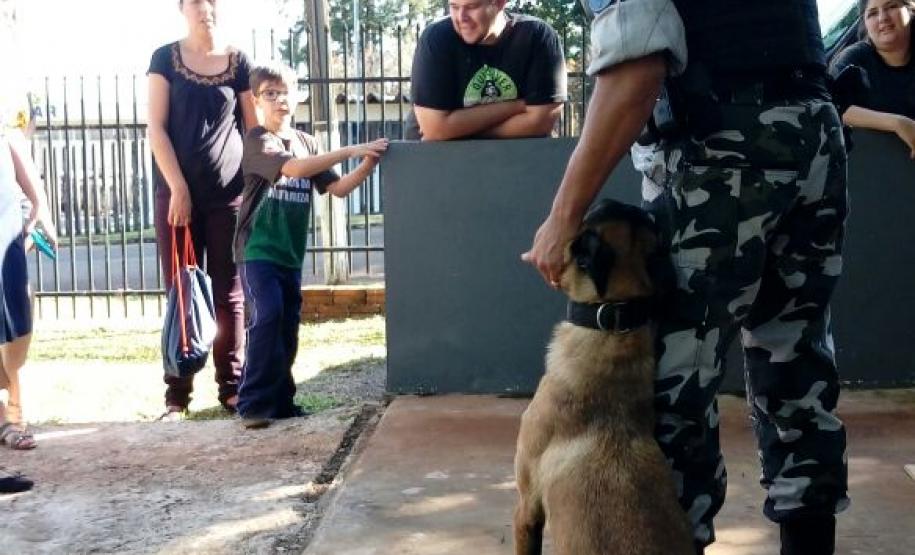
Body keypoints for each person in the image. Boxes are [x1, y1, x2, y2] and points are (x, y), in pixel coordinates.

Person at [522, 1, 849, 554]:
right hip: (816, 133)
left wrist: (563, 216)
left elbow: (636, 67)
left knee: (675, 393)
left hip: (721, 150)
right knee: (797, 371)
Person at [233, 63, 388, 428]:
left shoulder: (307, 143)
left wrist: (367, 165)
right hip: (257, 251)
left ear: (297, 95)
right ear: (256, 101)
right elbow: (296, 170)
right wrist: (350, 150)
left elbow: (338, 188)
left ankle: (282, 402)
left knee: (287, 326)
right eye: (270, 94)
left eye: (285, 92)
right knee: (268, 314)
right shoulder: (257, 140)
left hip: (289, 254)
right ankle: (253, 403)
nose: (279, 100)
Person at [147, 0, 258, 419]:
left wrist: (258, 182)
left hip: (228, 197)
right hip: (176, 196)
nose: (204, 8)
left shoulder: (238, 61)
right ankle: (177, 396)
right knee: (182, 290)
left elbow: (252, 128)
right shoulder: (164, 58)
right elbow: (155, 128)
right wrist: (178, 187)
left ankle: (232, 387)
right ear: (183, 8)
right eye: (195, 2)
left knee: (229, 293)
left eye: (210, 1)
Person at [406, 0, 567, 140]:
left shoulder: (537, 36)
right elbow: (435, 128)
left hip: (515, 155)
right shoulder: (436, 38)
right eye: (454, 7)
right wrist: (517, 106)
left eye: (472, 7)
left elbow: (541, 122)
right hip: (433, 157)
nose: (461, 17)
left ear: (500, 3)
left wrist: (454, 131)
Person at [1, 125, 57, 453]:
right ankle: (8, 417)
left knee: (16, 326)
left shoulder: (6, 135)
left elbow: (35, 195)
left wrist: (39, 213)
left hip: (7, 235)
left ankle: (14, 412)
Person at [830, 0, 915, 156]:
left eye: (891, 7)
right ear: (865, 24)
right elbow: (827, 104)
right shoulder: (855, 57)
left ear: (910, 10)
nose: (883, 18)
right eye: (873, 13)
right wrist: (898, 123)